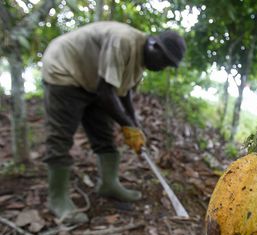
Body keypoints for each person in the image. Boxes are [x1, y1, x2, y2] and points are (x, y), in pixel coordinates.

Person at [41, 21, 186, 223]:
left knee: (104, 136)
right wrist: (127, 125)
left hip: (94, 83)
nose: (163, 68)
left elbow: (123, 95)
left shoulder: (139, 62)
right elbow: (106, 93)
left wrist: (134, 126)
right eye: (165, 61)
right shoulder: (124, 41)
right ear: (154, 45)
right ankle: (57, 200)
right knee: (61, 137)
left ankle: (108, 184)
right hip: (64, 69)